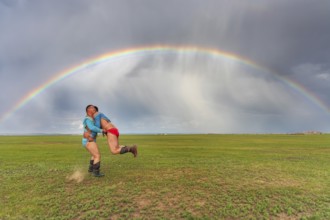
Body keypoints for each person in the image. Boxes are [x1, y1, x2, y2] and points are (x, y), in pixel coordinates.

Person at [82, 105, 107, 177]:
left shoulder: (91, 119)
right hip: (88, 140)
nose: (95, 110)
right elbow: (92, 128)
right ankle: (96, 172)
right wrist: (101, 130)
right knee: (97, 155)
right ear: (88, 110)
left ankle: (91, 169)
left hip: (90, 140)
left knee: (94, 155)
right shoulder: (87, 119)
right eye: (93, 108)